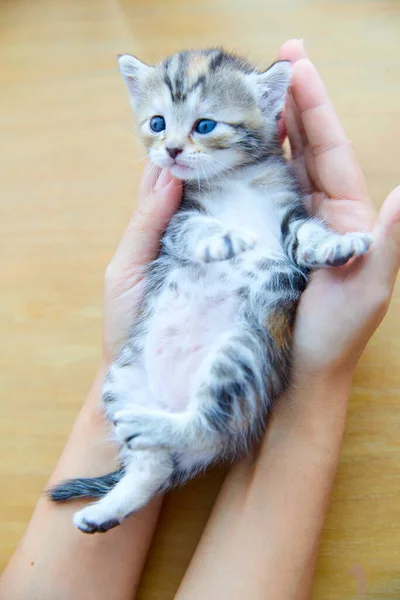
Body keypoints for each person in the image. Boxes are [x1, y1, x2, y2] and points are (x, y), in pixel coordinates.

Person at [1, 39, 399, 600]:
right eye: (159, 124)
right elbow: (184, 232)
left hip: (226, 333)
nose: (172, 146)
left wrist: (325, 246)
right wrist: (207, 238)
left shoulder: (271, 183)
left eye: (204, 125)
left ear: (265, 107)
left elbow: (293, 230)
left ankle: (180, 436)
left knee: (236, 350)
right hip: (180, 329)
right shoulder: (191, 197)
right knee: (124, 376)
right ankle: (138, 477)